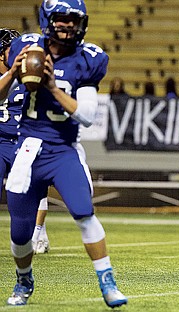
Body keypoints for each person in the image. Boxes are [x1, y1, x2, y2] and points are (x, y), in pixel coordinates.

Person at [0, 0, 127, 307]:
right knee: (20, 232)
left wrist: (53, 87)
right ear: (48, 19)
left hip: (63, 150)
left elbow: (85, 113)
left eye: (74, 19)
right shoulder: (27, 49)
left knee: (84, 212)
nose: (68, 25)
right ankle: (24, 279)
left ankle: (107, 281)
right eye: (62, 18)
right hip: (28, 150)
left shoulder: (88, 59)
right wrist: (14, 72)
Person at [0, 28, 51, 255]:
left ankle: (38, 231)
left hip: (23, 141)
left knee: (33, 188)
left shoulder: (30, 76)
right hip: (0, 142)